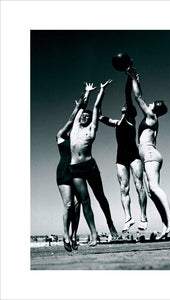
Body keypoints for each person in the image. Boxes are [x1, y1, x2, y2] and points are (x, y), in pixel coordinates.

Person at [127, 67, 170, 239]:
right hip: (151, 154)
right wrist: (137, 81)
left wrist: (134, 78)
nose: (148, 104)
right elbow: (141, 97)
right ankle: (165, 226)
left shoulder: (150, 116)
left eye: (152, 104)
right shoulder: (154, 120)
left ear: (154, 108)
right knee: (151, 192)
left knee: (154, 188)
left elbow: (138, 97)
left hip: (149, 154)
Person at [69, 79, 118, 247]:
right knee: (85, 201)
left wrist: (101, 91)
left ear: (91, 120)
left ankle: (110, 224)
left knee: (100, 197)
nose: (84, 117)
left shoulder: (92, 129)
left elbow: (95, 108)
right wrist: (87, 92)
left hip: (90, 166)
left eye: (87, 117)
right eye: (83, 115)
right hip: (75, 168)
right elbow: (82, 106)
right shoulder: (75, 125)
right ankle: (94, 234)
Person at [99, 75, 148, 232]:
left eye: (126, 105)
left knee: (139, 185)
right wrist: (102, 91)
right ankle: (128, 218)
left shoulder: (129, 120)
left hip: (134, 156)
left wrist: (129, 77)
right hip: (120, 158)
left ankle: (143, 217)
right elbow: (99, 115)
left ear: (130, 111)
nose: (124, 105)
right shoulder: (117, 123)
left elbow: (128, 94)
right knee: (123, 188)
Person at [56, 84, 93, 252]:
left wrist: (86, 95)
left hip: (76, 170)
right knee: (69, 205)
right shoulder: (61, 136)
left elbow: (79, 118)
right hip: (63, 171)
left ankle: (74, 234)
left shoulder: (76, 138)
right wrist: (78, 105)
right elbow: (72, 119)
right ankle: (65, 235)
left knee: (78, 206)